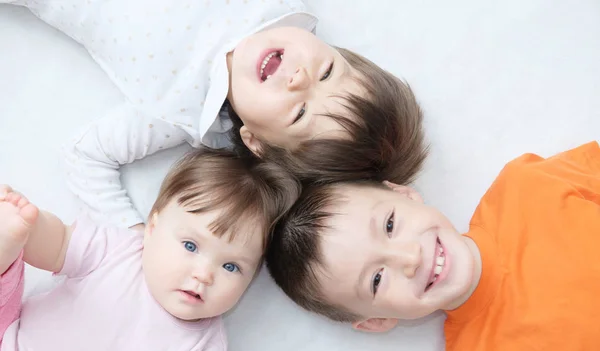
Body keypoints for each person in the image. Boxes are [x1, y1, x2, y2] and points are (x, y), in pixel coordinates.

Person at [3, 0, 426, 229]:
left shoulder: (182, 113)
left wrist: (132, 239)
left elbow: (86, 155)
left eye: (299, 114)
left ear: (255, 142)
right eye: (328, 71)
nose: (299, 78)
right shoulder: (276, 8)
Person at [266, 141, 600, 351]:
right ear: (375, 320)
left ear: (403, 193)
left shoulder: (528, 185)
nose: (410, 258)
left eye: (390, 224)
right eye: (377, 279)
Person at [0, 147, 300, 351]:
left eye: (231, 266)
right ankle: (10, 237)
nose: (204, 274)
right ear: (152, 228)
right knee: (9, 275)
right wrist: (32, 227)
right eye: (191, 246)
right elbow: (58, 245)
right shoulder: (117, 251)